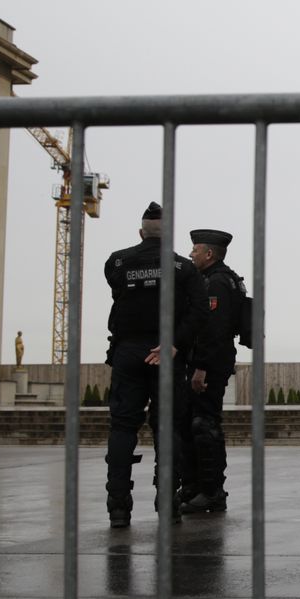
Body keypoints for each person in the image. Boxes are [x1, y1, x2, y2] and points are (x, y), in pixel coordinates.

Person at [103, 202, 207, 528]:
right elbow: (199, 312)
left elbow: (119, 290)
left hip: (129, 351)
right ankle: (168, 502)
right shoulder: (182, 268)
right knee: (167, 428)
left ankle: (119, 506)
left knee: (122, 427)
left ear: (140, 233)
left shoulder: (118, 262)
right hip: (166, 353)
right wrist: (174, 343)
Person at [180, 228, 247, 513]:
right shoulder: (222, 279)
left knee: (205, 425)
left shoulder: (217, 283)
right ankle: (196, 485)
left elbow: (213, 329)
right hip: (211, 359)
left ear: (208, 254)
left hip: (210, 361)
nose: (191, 254)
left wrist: (201, 368)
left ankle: (211, 490)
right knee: (197, 424)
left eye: (195, 250)